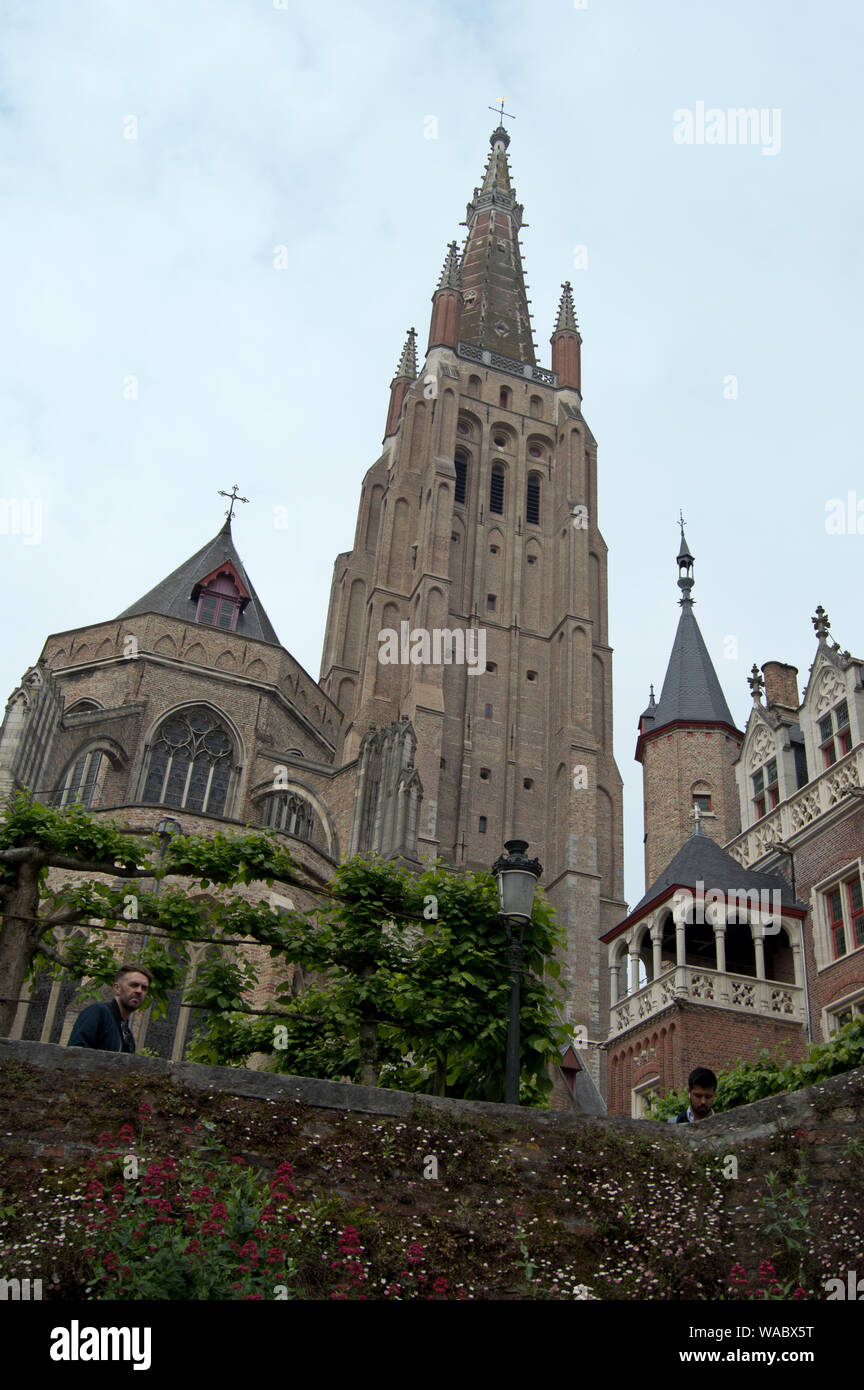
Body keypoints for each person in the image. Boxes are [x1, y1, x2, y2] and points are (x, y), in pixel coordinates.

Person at [67, 965, 152, 1053]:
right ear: (117, 988)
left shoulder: (128, 1035)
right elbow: (73, 1056)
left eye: (144, 988)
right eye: (134, 985)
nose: (139, 991)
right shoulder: (98, 1013)